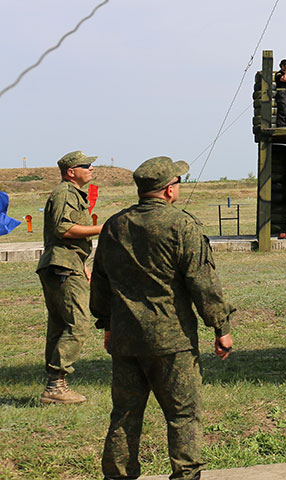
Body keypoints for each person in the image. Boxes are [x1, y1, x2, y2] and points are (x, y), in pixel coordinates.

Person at [91, 156, 235, 480]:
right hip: (173, 342)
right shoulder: (182, 225)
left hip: (126, 339)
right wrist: (221, 327)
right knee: (183, 414)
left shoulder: (114, 225)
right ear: (170, 189)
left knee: (124, 415)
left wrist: (107, 325)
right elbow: (202, 282)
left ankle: (117, 475)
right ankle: (186, 475)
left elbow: (100, 280)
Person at [35, 149, 103, 404]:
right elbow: (64, 229)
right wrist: (102, 228)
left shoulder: (71, 193)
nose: (91, 168)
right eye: (86, 165)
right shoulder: (65, 193)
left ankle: (55, 384)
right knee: (79, 323)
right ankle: (56, 385)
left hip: (65, 264)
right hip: (62, 266)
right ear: (71, 172)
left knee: (60, 324)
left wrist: (81, 263)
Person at [274, 59, 286, 127]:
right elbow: (285, 79)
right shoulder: (278, 74)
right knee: (282, 109)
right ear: (281, 66)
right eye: (285, 66)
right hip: (281, 93)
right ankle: (281, 125)